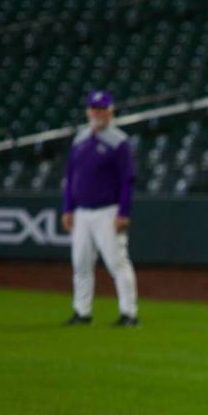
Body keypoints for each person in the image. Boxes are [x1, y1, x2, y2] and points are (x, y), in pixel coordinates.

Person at [62, 90, 139, 327]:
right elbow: (70, 177)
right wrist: (68, 209)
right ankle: (82, 312)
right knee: (81, 263)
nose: (98, 113)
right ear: (88, 111)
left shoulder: (119, 141)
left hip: (108, 211)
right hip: (82, 212)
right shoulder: (80, 139)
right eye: (94, 109)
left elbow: (127, 180)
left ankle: (129, 313)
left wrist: (123, 212)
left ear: (110, 111)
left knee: (117, 262)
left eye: (102, 109)